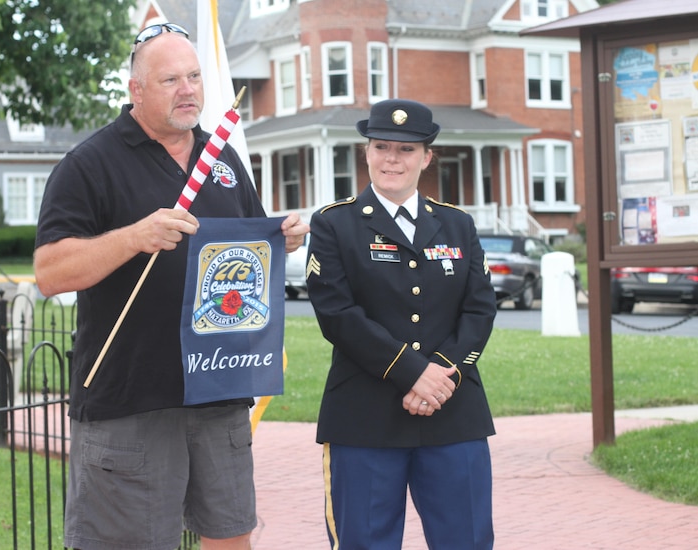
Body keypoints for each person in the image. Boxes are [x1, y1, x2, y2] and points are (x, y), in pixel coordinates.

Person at [34, 23, 309, 550]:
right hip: (132, 400)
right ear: (135, 90)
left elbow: (242, 246)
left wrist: (280, 237)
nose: (188, 90)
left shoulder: (224, 160)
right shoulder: (90, 165)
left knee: (231, 537)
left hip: (219, 390)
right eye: (169, 80)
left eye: (194, 77)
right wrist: (135, 237)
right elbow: (50, 272)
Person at [305, 99, 497, 549]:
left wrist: (441, 374)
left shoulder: (457, 224)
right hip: (364, 418)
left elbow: (480, 309)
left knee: (466, 541)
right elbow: (337, 314)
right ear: (366, 152)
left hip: (453, 414)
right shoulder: (334, 224)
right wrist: (415, 374)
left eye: (406, 149)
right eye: (382, 146)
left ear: (427, 157)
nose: (392, 158)